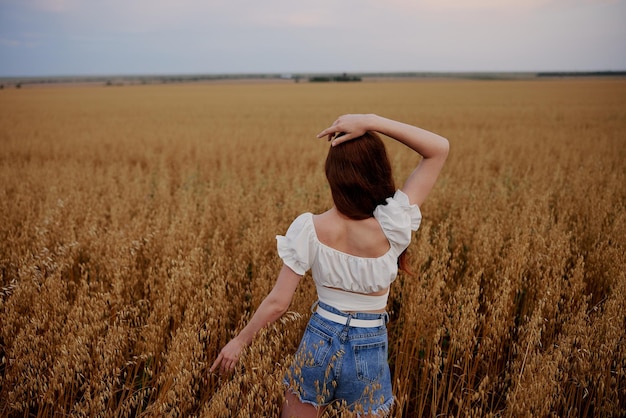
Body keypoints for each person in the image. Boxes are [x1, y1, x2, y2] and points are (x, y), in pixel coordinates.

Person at [210, 114, 449, 416]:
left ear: (331, 175)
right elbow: (439, 148)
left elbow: (278, 303)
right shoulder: (394, 222)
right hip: (370, 344)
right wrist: (371, 121)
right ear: (378, 171)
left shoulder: (309, 228)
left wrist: (239, 342)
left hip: (319, 339)